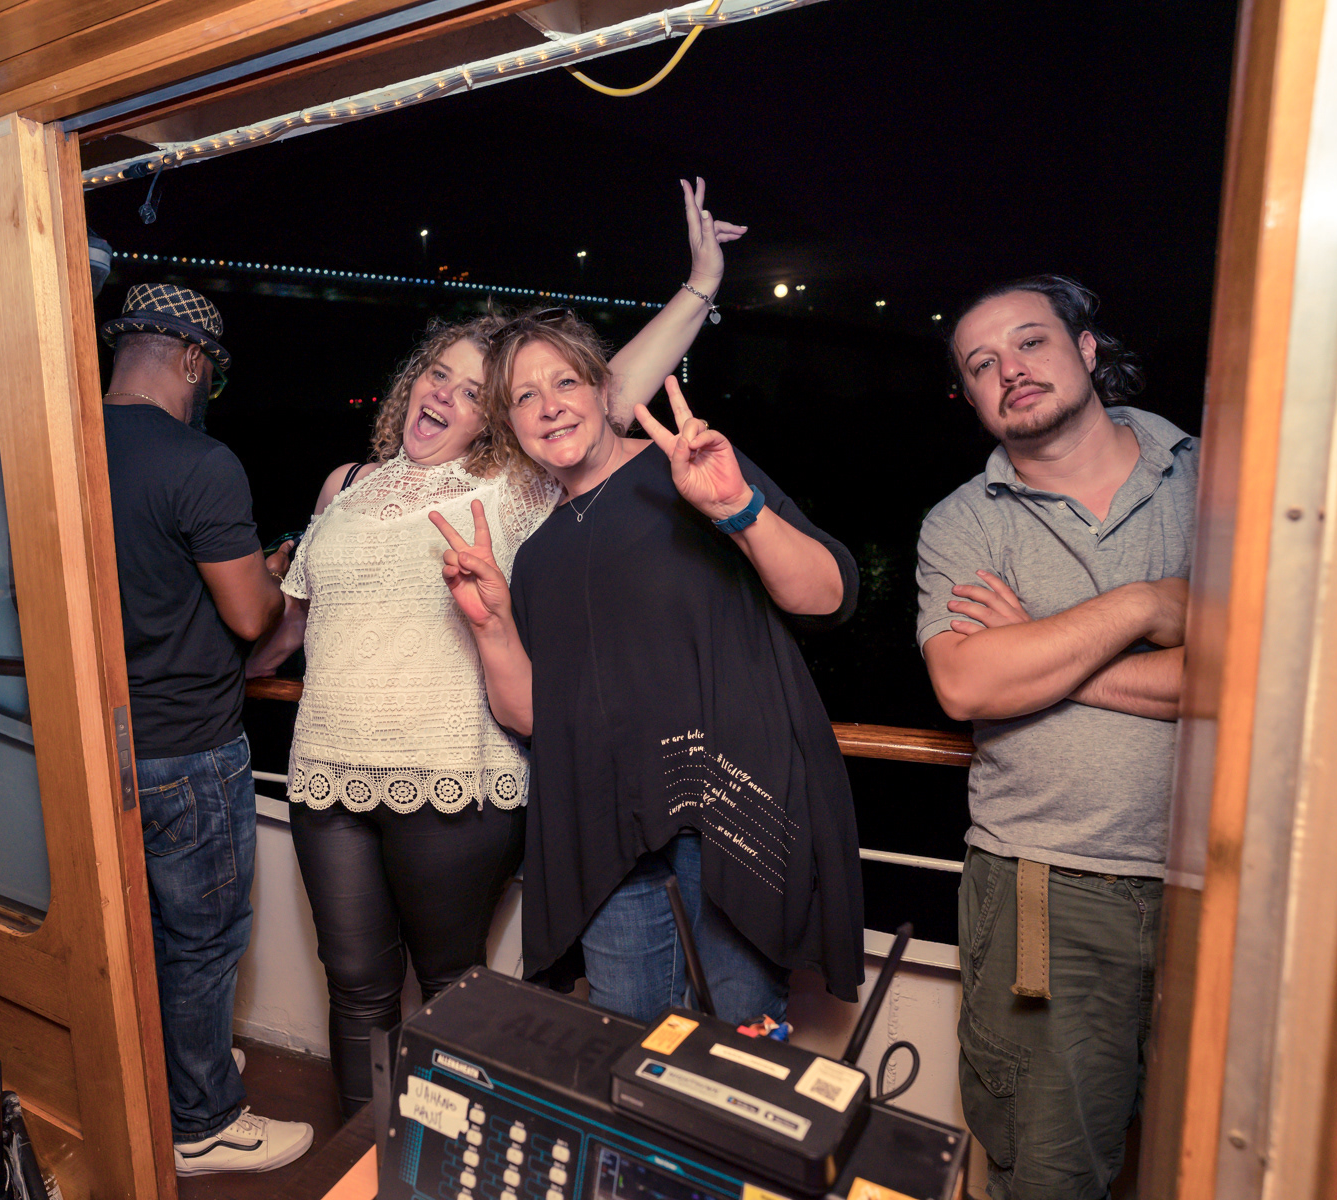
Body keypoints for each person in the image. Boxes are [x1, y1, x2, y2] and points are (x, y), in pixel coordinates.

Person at [246, 182, 745, 1116]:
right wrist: (206, 675)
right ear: (413, 380)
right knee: (354, 986)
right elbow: (292, 629)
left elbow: (609, 393)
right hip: (325, 769)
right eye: (438, 374)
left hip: (453, 773)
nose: (445, 395)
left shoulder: (514, 485)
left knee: (449, 987)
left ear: (492, 422)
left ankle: (444, 1160)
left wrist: (698, 285)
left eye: (475, 393)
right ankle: (370, 1161)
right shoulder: (345, 483)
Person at [433, 311, 865, 1027]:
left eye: (564, 382)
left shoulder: (691, 474)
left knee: (733, 1043)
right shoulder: (537, 555)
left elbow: (827, 597)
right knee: (623, 1044)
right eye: (524, 396)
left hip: (726, 810)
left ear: (604, 390)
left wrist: (736, 507)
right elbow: (531, 717)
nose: (549, 406)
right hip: (605, 834)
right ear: (510, 425)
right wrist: (492, 625)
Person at [914, 276, 1197, 1200]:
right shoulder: (962, 522)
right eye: (981, 363)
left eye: (1029, 342)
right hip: (1046, 890)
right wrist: (1142, 607)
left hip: (1225, 883)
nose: (1010, 370)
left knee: (1220, 1158)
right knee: (1048, 1176)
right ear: (969, 396)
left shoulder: (1212, 478)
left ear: (1084, 348)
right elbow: (967, 683)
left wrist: (1039, 644)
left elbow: (1256, 672)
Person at [98, 283, 313, 1174]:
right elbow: (249, 616)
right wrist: (273, 573)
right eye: (210, 380)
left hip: (98, 743)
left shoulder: (66, 444)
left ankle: (177, 1073)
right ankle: (204, 1123)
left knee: (135, 931)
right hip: (187, 746)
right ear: (193, 362)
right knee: (202, 938)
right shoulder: (201, 462)